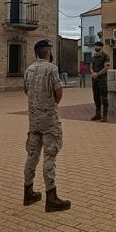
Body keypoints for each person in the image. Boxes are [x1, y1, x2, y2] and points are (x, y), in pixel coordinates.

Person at [24, 38, 71, 212]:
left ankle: (28, 191)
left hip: (34, 119)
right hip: (49, 119)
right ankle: (51, 196)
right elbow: (58, 91)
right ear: (48, 52)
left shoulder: (29, 69)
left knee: (32, 155)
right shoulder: (52, 69)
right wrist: (53, 104)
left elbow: (26, 90)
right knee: (50, 156)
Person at [89, 40, 111, 121]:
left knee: (104, 98)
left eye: (97, 46)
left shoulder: (105, 56)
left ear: (101, 47)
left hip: (102, 79)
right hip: (95, 79)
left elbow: (106, 68)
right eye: (95, 46)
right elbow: (91, 67)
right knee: (96, 97)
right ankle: (97, 114)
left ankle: (104, 116)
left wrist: (97, 74)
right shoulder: (93, 57)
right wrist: (93, 73)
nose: (96, 47)